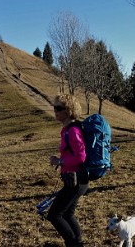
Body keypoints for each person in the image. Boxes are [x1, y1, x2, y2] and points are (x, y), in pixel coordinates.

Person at [47, 95, 88, 247]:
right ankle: (78, 243)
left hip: (76, 181)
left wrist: (60, 161)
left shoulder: (72, 131)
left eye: (59, 108)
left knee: (54, 215)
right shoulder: (67, 129)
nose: (55, 111)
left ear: (69, 111)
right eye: (54, 107)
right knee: (68, 214)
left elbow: (81, 156)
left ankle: (73, 244)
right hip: (75, 180)